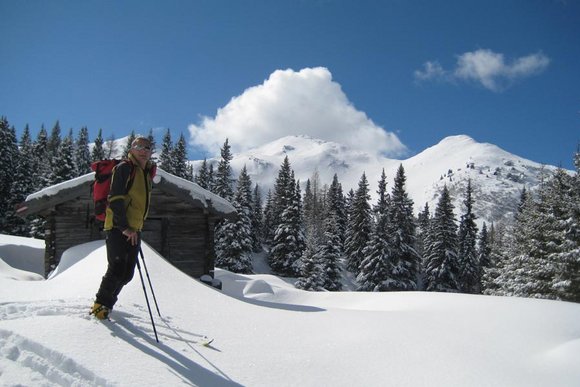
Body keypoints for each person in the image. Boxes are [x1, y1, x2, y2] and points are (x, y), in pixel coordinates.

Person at [91, 136, 155, 320]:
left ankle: (107, 305)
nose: (143, 150)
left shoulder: (145, 174)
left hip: (135, 229)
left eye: (147, 148)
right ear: (132, 149)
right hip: (119, 227)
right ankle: (99, 307)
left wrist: (134, 228)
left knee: (127, 274)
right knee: (117, 269)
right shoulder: (125, 168)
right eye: (139, 146)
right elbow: (115, 198)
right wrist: (124, 227)